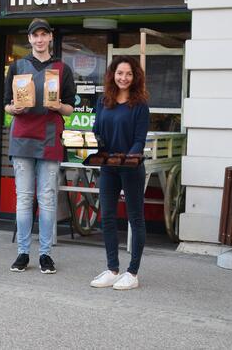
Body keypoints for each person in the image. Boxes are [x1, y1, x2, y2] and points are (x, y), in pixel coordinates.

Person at [4, 18, 75, 274]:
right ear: (30, 39)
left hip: (49, 138)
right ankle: (23, 252)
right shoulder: (17, 67)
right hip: (22, 137)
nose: (40, 39)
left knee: (46, 199)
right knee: (23, 199)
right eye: (36, 36)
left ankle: (45, 254)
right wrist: (14, 108)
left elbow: (69, 107)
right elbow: (5, 104)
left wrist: (58, 107)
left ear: (50, 37)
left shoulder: (62, 69)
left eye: (44, 35)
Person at [90, 55, 149, 290]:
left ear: (135, 77)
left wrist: (126, 159)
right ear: (112, 75)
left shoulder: (140, 105)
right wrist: (93, 143)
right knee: (109, 217)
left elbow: (139, 141)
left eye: (128, 74)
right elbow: (97, 130)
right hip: (108, 166)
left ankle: (133, 273)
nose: (123, 78)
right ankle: (113, 269)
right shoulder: (104, 101)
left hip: (131, 167)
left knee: (135, 218)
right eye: (119, 73)